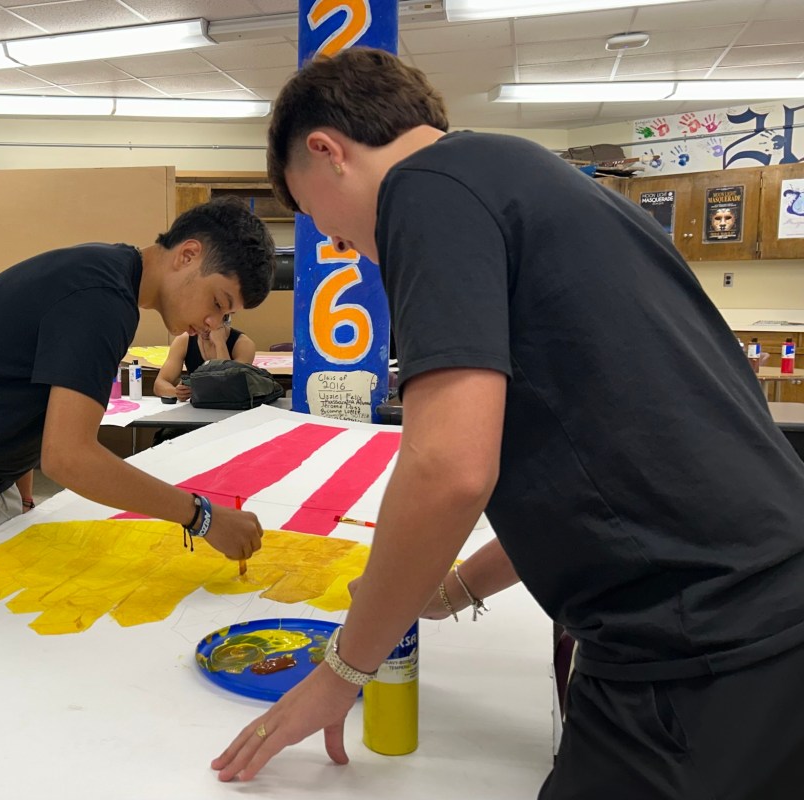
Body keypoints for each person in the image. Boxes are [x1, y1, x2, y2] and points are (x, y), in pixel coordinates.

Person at [212, 48, 804, 798]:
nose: (341, 247)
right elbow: (595, 454)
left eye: (321, 221)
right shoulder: (533, 179)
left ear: (327, 152)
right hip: (766, 610)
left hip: (700, 647)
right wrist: (447, 588)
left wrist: (341, 671)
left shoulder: (421, 191)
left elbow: (450, 469)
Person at [0, 197, 276, 588]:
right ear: (188, 255)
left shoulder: (107, 275)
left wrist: (20, 493)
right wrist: (202, 517)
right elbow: (67, 456)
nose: (212, 322)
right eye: (218, 302)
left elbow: (16, 387)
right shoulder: (101, 298)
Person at [153, 314, 256, 402]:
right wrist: (177, 392)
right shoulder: (184, 340)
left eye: (210, 324)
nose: (204, 329)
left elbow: (230, 387)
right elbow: (159, 384)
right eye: (199, 323)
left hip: (230, 409)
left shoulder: (243, 344)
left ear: (223, 318)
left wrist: (220, 344)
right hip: (196, 409)